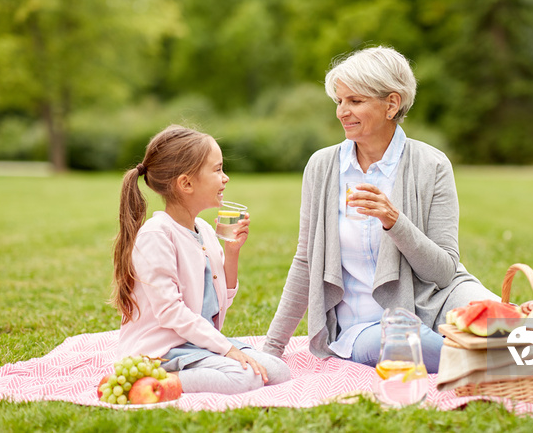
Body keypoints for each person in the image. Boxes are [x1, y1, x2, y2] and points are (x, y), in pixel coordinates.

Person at [262, 47, 499, 373]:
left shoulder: (432, 164)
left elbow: (443, 273)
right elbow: (306, 260)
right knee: (404, 341)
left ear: (391, 104)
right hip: (366, 326)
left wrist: (394, 221)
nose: (342, 112)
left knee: (508, 325)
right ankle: (506, 362)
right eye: (339, 101)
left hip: (438, 299)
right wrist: (272, 349)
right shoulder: (322, 167)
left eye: (355, 101)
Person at [112, 124, 291, 394]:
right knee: (246, 378)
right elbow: (170, 311)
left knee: (277, 370)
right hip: (163, 350)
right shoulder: (157, 235)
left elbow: (222, 300)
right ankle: (152, 384)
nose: (225, 178)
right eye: (217, 169)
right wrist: (227, 349)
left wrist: (232, 252)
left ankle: (205, 367)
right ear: (186, 183)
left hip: (197, 342)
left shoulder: (204, 230)